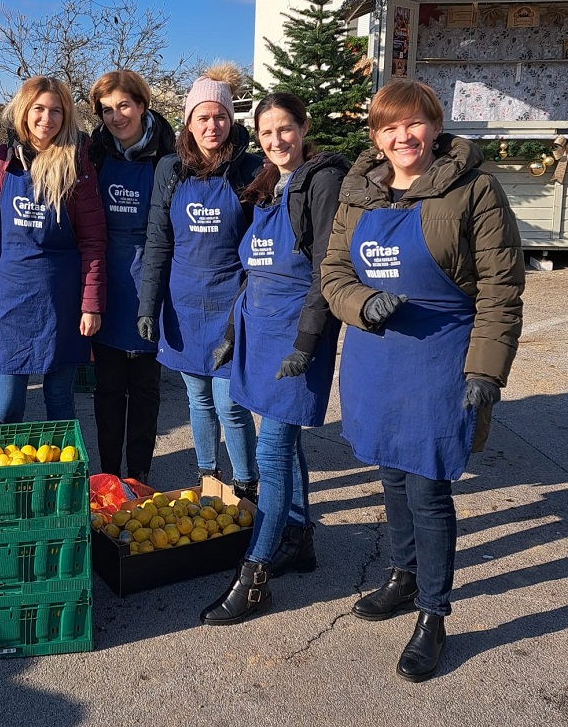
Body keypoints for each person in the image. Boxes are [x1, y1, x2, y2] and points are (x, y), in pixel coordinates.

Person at [321, 79, 525, 682]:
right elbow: (333, 271)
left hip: (442, 352)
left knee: (429, 486)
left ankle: (434, 615)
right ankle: (402, 575)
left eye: (414, 124)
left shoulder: (475, 189)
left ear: (434, 127)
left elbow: (501, 288)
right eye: (389, 127)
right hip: (377, 353)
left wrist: (486, 368)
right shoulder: (359, 194)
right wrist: (361, 302)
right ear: (376, 136)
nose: (403, 137)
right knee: (389, 468)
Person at [201, 93, 349, 625]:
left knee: (272, 450)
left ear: (303, 128)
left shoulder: (322, 180)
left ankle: (255, 573)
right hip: (257, 331)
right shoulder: (268, 184)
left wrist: (307, 344)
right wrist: (229, 332)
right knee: (283, 445)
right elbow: (253, 271)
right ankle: (299, 537)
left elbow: (328, 267)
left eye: (285, 129)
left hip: (294, 334)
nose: (277, 141)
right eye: (266, 133)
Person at [137, 64, 259, 499]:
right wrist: (147, 306)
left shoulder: (249, 170)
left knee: (230, 401)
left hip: (232, 301)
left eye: (221, 117)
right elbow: (158, 243)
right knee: (198, 398)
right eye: (203, 117)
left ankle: (246, 482)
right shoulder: (170, 170)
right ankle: (208, 477)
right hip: (184, 303)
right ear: (188, 122)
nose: (213, 125)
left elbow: (260, 246)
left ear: (231, 120)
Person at [0, 76, 106, 422]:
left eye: (56, 111)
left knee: (60, 402)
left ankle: (61, 475)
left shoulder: (77, 164)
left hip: (60, 301)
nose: (47, 119)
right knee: (6, 408)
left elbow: (92, 242)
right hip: (10, 303)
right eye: (39, 109)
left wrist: (90, 305)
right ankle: (8, 475)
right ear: (23, 111)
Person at [87, 71, 175, 484]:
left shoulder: (168, 156)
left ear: (142, 105)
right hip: (107, 283)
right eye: (107, 109)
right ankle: (107, 477)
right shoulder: (95, 155)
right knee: (106, 393)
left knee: (144, 393)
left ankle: (139, 477)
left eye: (124, 105)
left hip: (151, 279)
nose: (117, 116)